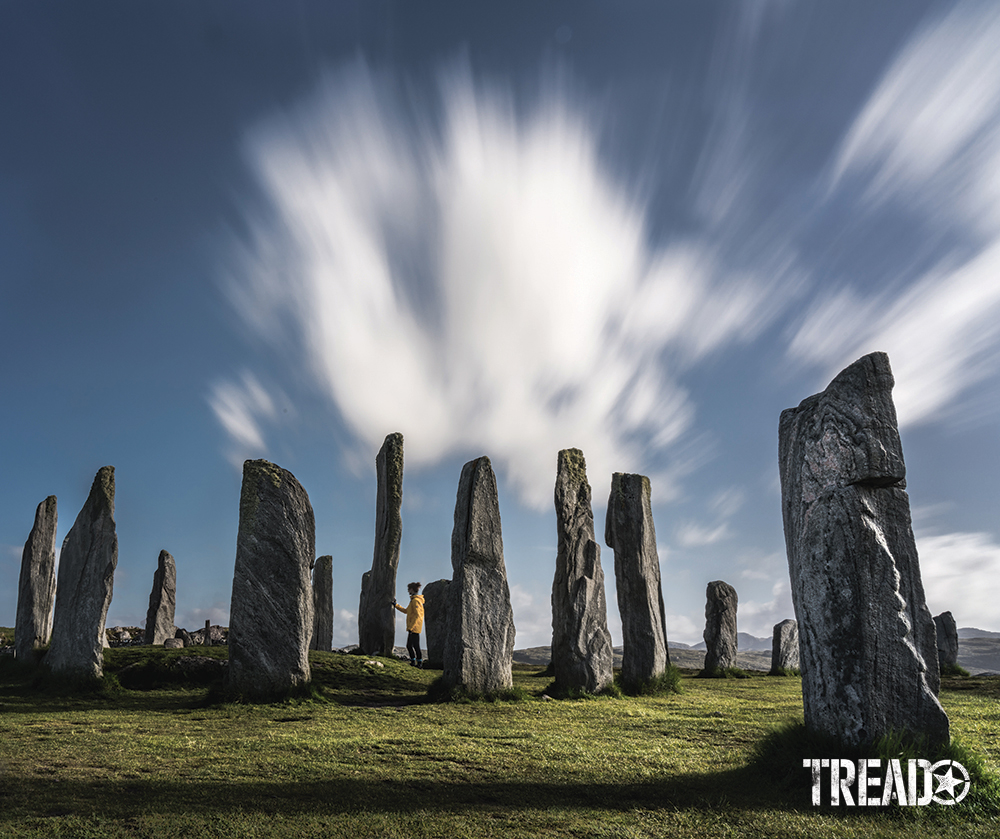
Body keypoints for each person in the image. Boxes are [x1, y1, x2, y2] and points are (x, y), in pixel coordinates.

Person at [393, 582, 425, 667]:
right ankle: (414, 662)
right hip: (413, 627)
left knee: (415, 646)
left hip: (414, 627)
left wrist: (411, 627)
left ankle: (419, 663)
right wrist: (396, 605)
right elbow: (406, 611)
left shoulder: (416, 601)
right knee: (410, 646)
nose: (408, 591)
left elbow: (418, 616)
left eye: (408, 589)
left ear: (412, 589)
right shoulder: (413, 601)